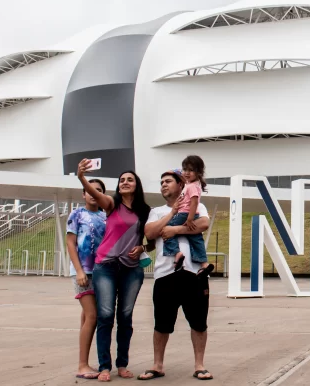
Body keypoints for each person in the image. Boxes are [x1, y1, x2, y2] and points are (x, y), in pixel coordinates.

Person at [77, 160, 151, 382]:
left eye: (129, 179)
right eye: (121, 180)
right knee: (106, 316)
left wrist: (144, 247)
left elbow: (153, 239)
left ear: (136, 185)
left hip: (132, 270)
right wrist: (81, 177)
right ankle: (105, 366)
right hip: (106, 267)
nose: (125, 182)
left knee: (125, 317)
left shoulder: (145, 211)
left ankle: (122, 364)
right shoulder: (111, 204)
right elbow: (95, 194)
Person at [136, 170, 213, 381]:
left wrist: (173, 230)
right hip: (165, 274)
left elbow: (203, 223)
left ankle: (200, 365)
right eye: (161, 182)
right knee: (161, 323)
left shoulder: (198, 205)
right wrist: (170, 216)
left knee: (198, 322)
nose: (163, 185)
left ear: (181, 185)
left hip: (195, 273)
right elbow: (150, 233)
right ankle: (157, 364)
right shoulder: (156, 211)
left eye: (168, 181)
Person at [66, 178, 107, 380]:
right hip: (82, 272)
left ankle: (86, 362)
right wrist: (79, 271)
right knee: (92, 315)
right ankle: (82, 365)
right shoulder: (77, 214)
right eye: (89, 190)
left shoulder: (105, 216)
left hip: (100, 271)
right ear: (83, 194)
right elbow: (71, 243)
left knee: (87, 316)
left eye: (98, 190)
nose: (93, 193)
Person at [162, 155, 209, 274]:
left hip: (185, 214)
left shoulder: (192, 186)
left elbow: (194, 203)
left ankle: (176, 253)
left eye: (191, 170)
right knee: (196, 237)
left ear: (198, 172)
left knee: (167, 229)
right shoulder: (191, 184)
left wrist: (189, 219)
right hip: (187, 214)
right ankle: (204, 263)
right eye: (185, 169)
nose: (187, 173)